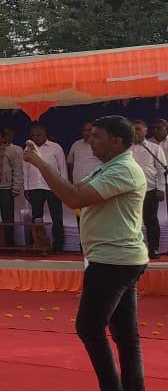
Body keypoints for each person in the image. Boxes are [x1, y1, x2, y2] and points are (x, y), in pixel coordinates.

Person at [23, 115, 148, 390]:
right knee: (125, 334)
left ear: (117, 141)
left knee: (90, 328)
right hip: (116, 258)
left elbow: (74, 198)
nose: (90, 142)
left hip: (112, 260)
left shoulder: (123, 169)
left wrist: (41, 164)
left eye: (97, 137)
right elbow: (75, 191)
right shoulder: (108, 167)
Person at [23, 124, 68, 252]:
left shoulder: (55, 148)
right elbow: (25, 169)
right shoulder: (28, 149)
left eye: (39, 135)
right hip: (35, 186)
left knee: (56, 217)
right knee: (36, 217)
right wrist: (26, 187)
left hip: (53, 186)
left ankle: (58, 245)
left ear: (45, 134)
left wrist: (63, 186)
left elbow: (62, 168)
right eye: (33, 135)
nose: (36, 137)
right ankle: (38, 243)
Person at [131, 120, 166, 259]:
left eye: (138, 129)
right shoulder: (126, 148)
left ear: (145, 131)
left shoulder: (154, 148)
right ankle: (133, 249)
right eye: (133, 129)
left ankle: (153, 248)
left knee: (151, 220)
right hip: (130, 191)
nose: (135, 132)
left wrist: (161, 189)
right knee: (131, 222)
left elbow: (161, 170)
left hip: (150, 190)